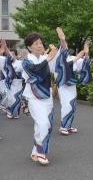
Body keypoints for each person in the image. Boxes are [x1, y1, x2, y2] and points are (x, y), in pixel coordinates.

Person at [21, 31, 61, 165]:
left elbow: (61, 60)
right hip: (33, 97)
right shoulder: (26, 61)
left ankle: (35, 149)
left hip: (47, 96)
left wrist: (62, 41)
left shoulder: (46, 58)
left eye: (40, 43)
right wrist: (48, 58)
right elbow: (35, 71)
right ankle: (41, 151)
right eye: (35, 43)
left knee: (46, 124)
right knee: (43, 123)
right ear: (29, 47)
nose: (39, 45)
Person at [52, 28, 92, 135]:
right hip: (63, 83)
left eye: (66, 44)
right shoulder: (58, 57)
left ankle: (68, 125)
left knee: (73, 104)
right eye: (64, 45)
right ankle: (63, 126)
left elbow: (84, 64)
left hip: (71, 83)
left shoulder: (71, 57)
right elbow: (63, 65)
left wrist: (86, 54)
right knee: (66, 104)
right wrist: (62, 39)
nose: (66, 47)